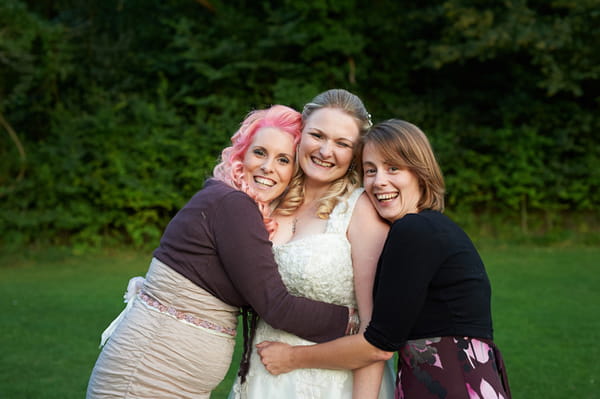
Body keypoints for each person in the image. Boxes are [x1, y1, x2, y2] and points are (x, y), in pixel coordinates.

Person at [86, 105, 358, 399]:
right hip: (148, 374)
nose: (268, 167)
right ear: (241, 155)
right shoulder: (232, 205)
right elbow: (275, 305)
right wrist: (353, 322)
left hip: (168, 376)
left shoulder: (233, 205)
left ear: (294, 172)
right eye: (260, 153)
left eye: (283, 160)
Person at [257, 119, 512, 399]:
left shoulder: (415, 230)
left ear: (420, 172)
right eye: (370, 170)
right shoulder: (434, 228)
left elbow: (378, 344)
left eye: (393, 168)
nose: (379, 181)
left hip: (450, 384)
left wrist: (292, 357)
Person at [229, 89, 395, 399]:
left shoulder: (361, 211)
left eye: (342, 143)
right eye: (318, 135)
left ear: (356, 153)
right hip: (260, 381)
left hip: (332, 386)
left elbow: (374, 339)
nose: (326, 151)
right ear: (300, 135)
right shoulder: (269, 200)